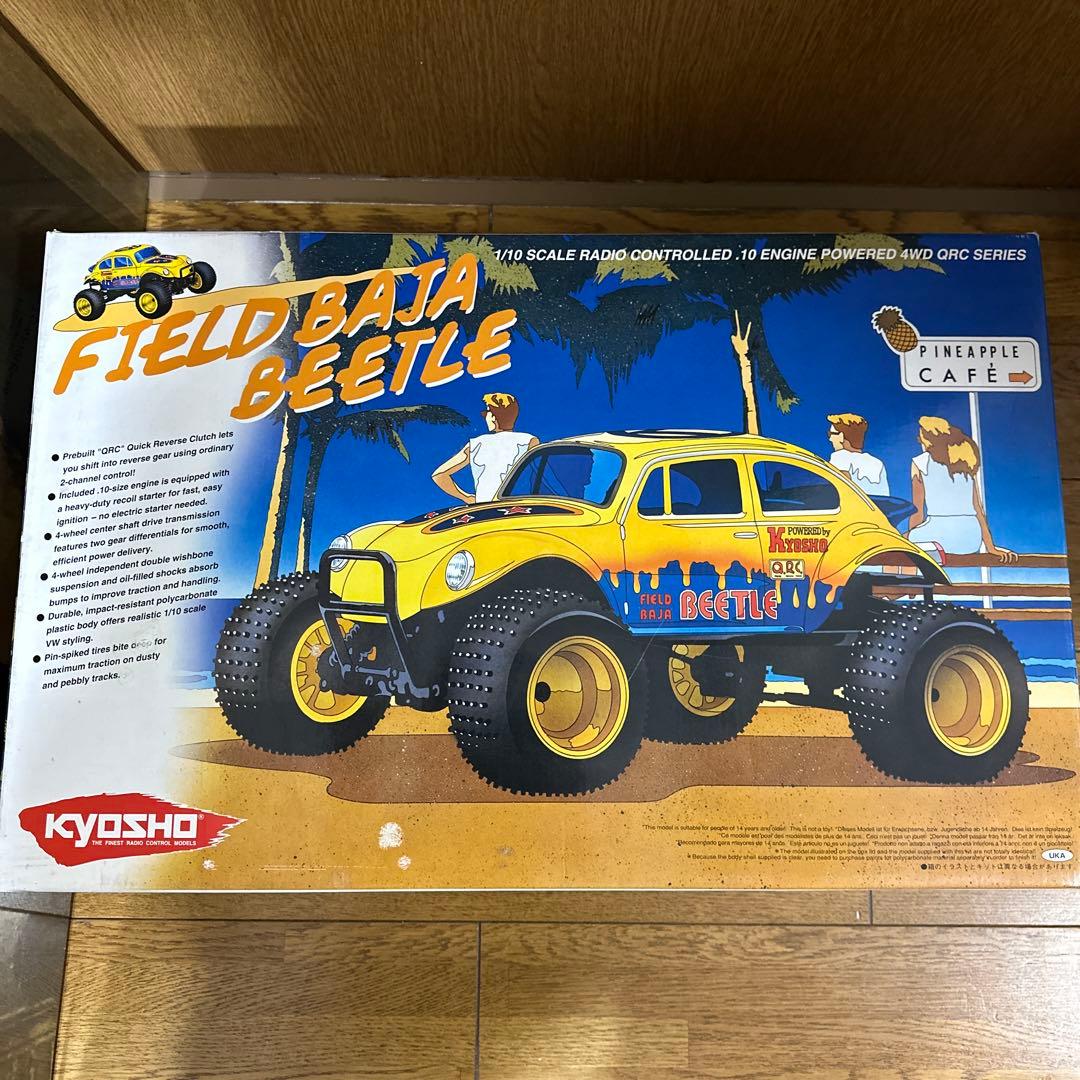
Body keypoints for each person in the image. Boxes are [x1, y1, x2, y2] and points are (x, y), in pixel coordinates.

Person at [907, 415, 1016, 562]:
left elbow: (917, 511)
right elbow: (978, 509)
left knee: (897, 545)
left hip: (938, 535)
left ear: (927, 441)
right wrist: (991, 547)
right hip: (971, 538)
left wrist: (909, 538)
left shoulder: (920, 462)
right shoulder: (964, 460)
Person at [432, 392, 538, 504]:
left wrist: (466, 497)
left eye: (486, 413)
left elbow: (439, 475)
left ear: (493, 417)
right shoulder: (529, 441)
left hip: (486, 509)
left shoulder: (476, 444)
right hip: (522, 507)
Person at [826, 413, 889, 496]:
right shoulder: (877, 463)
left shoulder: (840, 457)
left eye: (831, 434)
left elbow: (840, 491)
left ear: (841, 436)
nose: (830, 439)